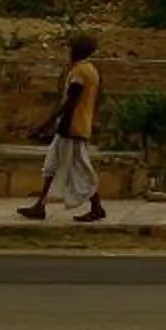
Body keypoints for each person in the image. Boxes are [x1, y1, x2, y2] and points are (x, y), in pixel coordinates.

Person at [19, 35, 106, 224]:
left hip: (72, 127)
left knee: (81, 169)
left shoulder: (80, 72)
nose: (69, 52)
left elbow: (70, 102)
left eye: (72, 49)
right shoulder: (91, 70)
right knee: (51, 165)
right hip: (75, 125)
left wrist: (47, 124)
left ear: (78, 51)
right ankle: (40, 205)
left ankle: (96, 206)